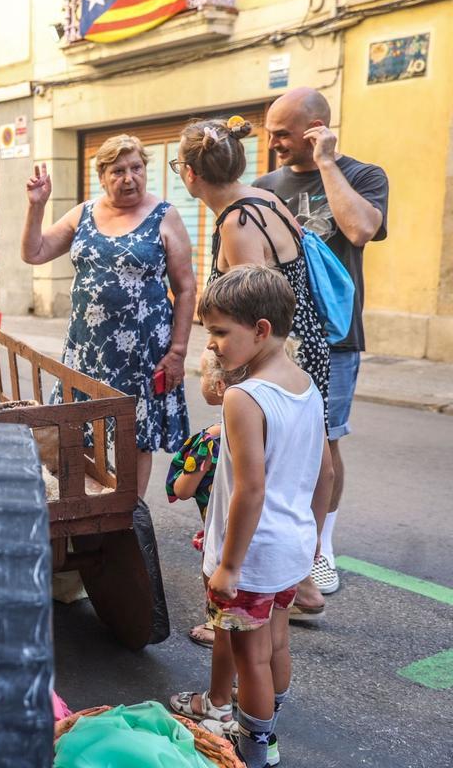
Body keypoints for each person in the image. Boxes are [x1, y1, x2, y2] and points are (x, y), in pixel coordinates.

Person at [171, 265, 333, 768]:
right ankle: (270, 729)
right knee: (277, 643)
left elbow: (250, 489)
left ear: (261, 330)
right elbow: (325, 473)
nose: (213, 344)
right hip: (290, 546)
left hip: (253, 556)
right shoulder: (305, 385)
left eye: (220, 332)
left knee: (251, 658)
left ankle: (254, 747)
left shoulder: (245, 397)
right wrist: (312, 539)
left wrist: (230, 566)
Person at [175, 115, 334, 616]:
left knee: (254, 470)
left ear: (189, 174)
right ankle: (300, 575)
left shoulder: (238, 220)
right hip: (302, 349)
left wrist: (224, 371)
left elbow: (245, 313)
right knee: (306, 461)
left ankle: (253, 585)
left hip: (275, 357)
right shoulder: (264, 199)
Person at [254, 87, 388, 598]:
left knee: (325, 440)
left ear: (316, 128)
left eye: (283, 134)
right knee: (270, 440)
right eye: (270, 132)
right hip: (273, 336)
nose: (273, 143)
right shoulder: (265, 184)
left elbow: (359, 229)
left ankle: (320, 548)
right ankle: (277, 540)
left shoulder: (364, 176)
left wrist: (327, 163)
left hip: (334, 335)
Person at [21, 135, 196, 499]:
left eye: (137, 168)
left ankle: (128, 512)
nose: (129, 177)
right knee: (76, 427)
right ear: (102, 176)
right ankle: (88, 502)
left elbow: (186, 288)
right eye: (118, 170)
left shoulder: (165, 215)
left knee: (136, 434)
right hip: (87, 349)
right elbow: (34, 253)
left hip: (143, 351)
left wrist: (177, 351)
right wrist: (37, 206)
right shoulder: (83, 213)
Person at [166, 351, 239, 650]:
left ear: (219, 385)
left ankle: (215, 626)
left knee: (214, 576)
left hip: (218, 522)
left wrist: (197, 468)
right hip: (251, 522)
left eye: (203, 374)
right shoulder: (256, 429)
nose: (201, 381)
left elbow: (183, 490)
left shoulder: (208, 442)